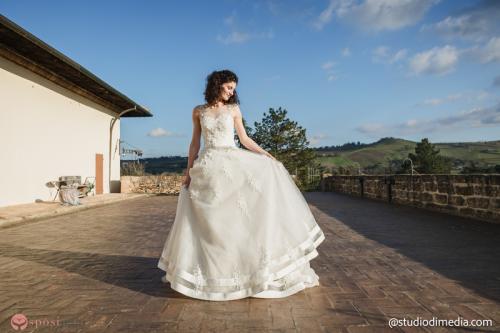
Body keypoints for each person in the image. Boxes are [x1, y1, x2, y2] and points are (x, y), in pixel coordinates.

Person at [157, 69, 325, 301]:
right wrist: (188, 171)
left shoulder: (234, 109)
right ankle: (213, 272)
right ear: (217, 85)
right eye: (228, 87)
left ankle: (244, 270)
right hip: (207, 166)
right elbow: (195, 142)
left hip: (232, 162)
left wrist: (268, 156)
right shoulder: (199, 111)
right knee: (210, 222)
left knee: (237, 218)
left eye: (233, 89)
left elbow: (244, 139)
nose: (232, 92)